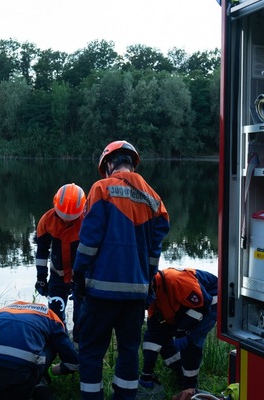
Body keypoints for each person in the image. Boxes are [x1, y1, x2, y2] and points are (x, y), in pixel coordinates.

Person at [73, 140, 170, 400]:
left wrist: (78, 275)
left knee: (91, 351)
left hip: (101, 291)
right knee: (129, 350)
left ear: (108, 164)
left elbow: (89, 242)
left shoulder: (101, 189)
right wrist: (148, 283)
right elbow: (154, 253)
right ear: (132, 163)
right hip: (136, 294)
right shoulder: (154, 199)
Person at [0, 301, 79, 400]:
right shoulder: (52, 318)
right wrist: (51, 371)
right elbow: (74, 362)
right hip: (20, 388)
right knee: (54, 342)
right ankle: (38, 383)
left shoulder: (2, 311)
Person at [139, 267, 218, 393]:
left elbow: (203, 305)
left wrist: (183, 330)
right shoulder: (151, 296)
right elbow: (153, 335)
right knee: (163, 337)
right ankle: (180, 372)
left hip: (210, 300)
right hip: (187, 306)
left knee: (190, 341)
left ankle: (190, 387)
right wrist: (146, 373)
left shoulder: (176, 280)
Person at [35, 183, 87, 341]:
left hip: (82, 279)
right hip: (57, 277)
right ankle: (58, 344)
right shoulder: (47, 220)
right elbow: (42, 252)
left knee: (82, 318)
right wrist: (41, 278)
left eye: (71, 219)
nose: (66, 221)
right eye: (63, 217)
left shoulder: (88, 221)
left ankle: (78, 348)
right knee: (55, 317)